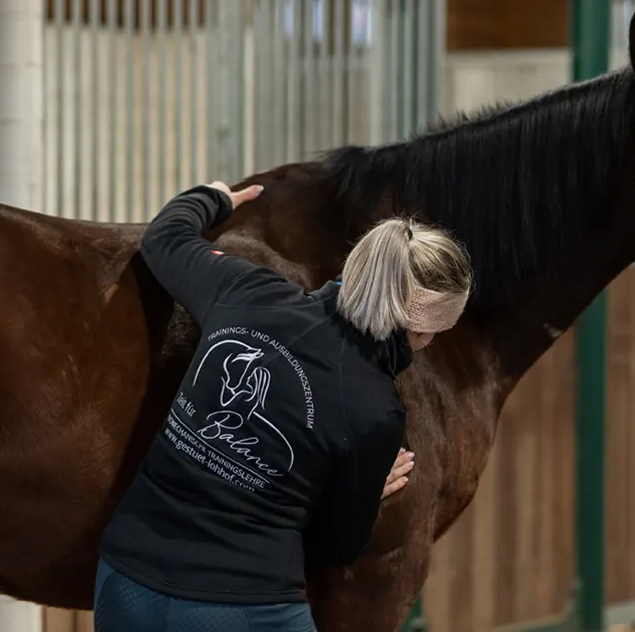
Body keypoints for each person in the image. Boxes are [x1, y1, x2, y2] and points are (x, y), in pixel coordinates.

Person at [93, 181, 473, 632]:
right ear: (417, 326)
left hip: (124, 581)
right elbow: (335, 548)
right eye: (433, 332)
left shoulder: (248, 291)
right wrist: (366, 490)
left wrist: (210, 199)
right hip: (243, 605)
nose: (429, 344)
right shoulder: (376, 411)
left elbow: (164, 239)